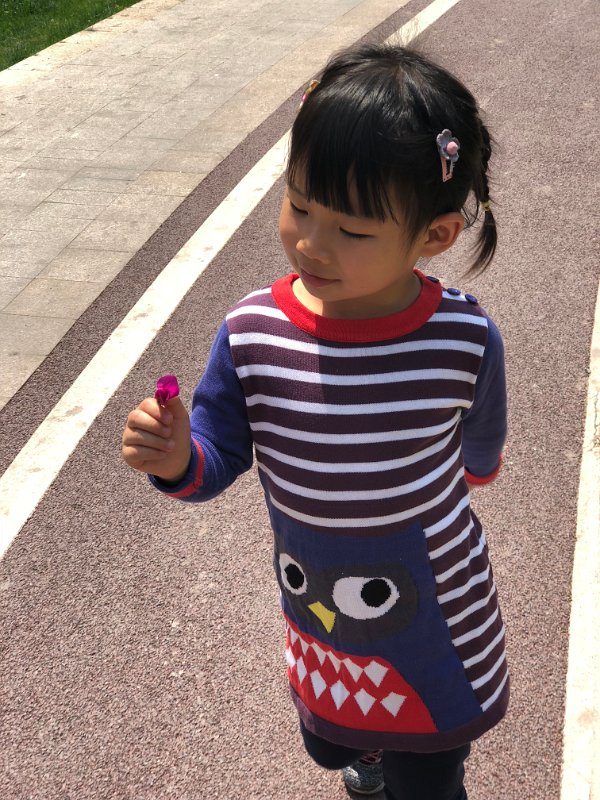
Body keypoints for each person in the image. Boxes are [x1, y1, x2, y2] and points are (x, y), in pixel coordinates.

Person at [122, 42, 509, 800]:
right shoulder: (252, 333)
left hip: (438, 614)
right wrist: (176, 458)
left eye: (353, 231)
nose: (311, 242)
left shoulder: (463, 339)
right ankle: (367, 756)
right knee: (329, 744)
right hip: (321, 613)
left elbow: (481, 448)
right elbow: (215, 454)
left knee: (429, 776)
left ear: (434, 237)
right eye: (300, 205)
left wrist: (466, 473)